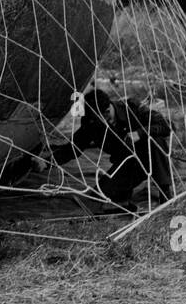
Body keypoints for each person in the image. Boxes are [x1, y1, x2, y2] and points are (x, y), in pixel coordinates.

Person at [41, 89, 173, 213]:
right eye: (98, 118)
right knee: (99, 196)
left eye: (105, 114)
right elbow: (72, 149)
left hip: (151, 159)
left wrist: (139, 133)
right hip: (126, 166)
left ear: (108, 107)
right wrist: (46, 162)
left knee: (155, 141)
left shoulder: (132, 108)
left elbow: (166, 126)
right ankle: (124, 195)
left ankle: (165, 192)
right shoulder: (92, 123)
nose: (104, 121)